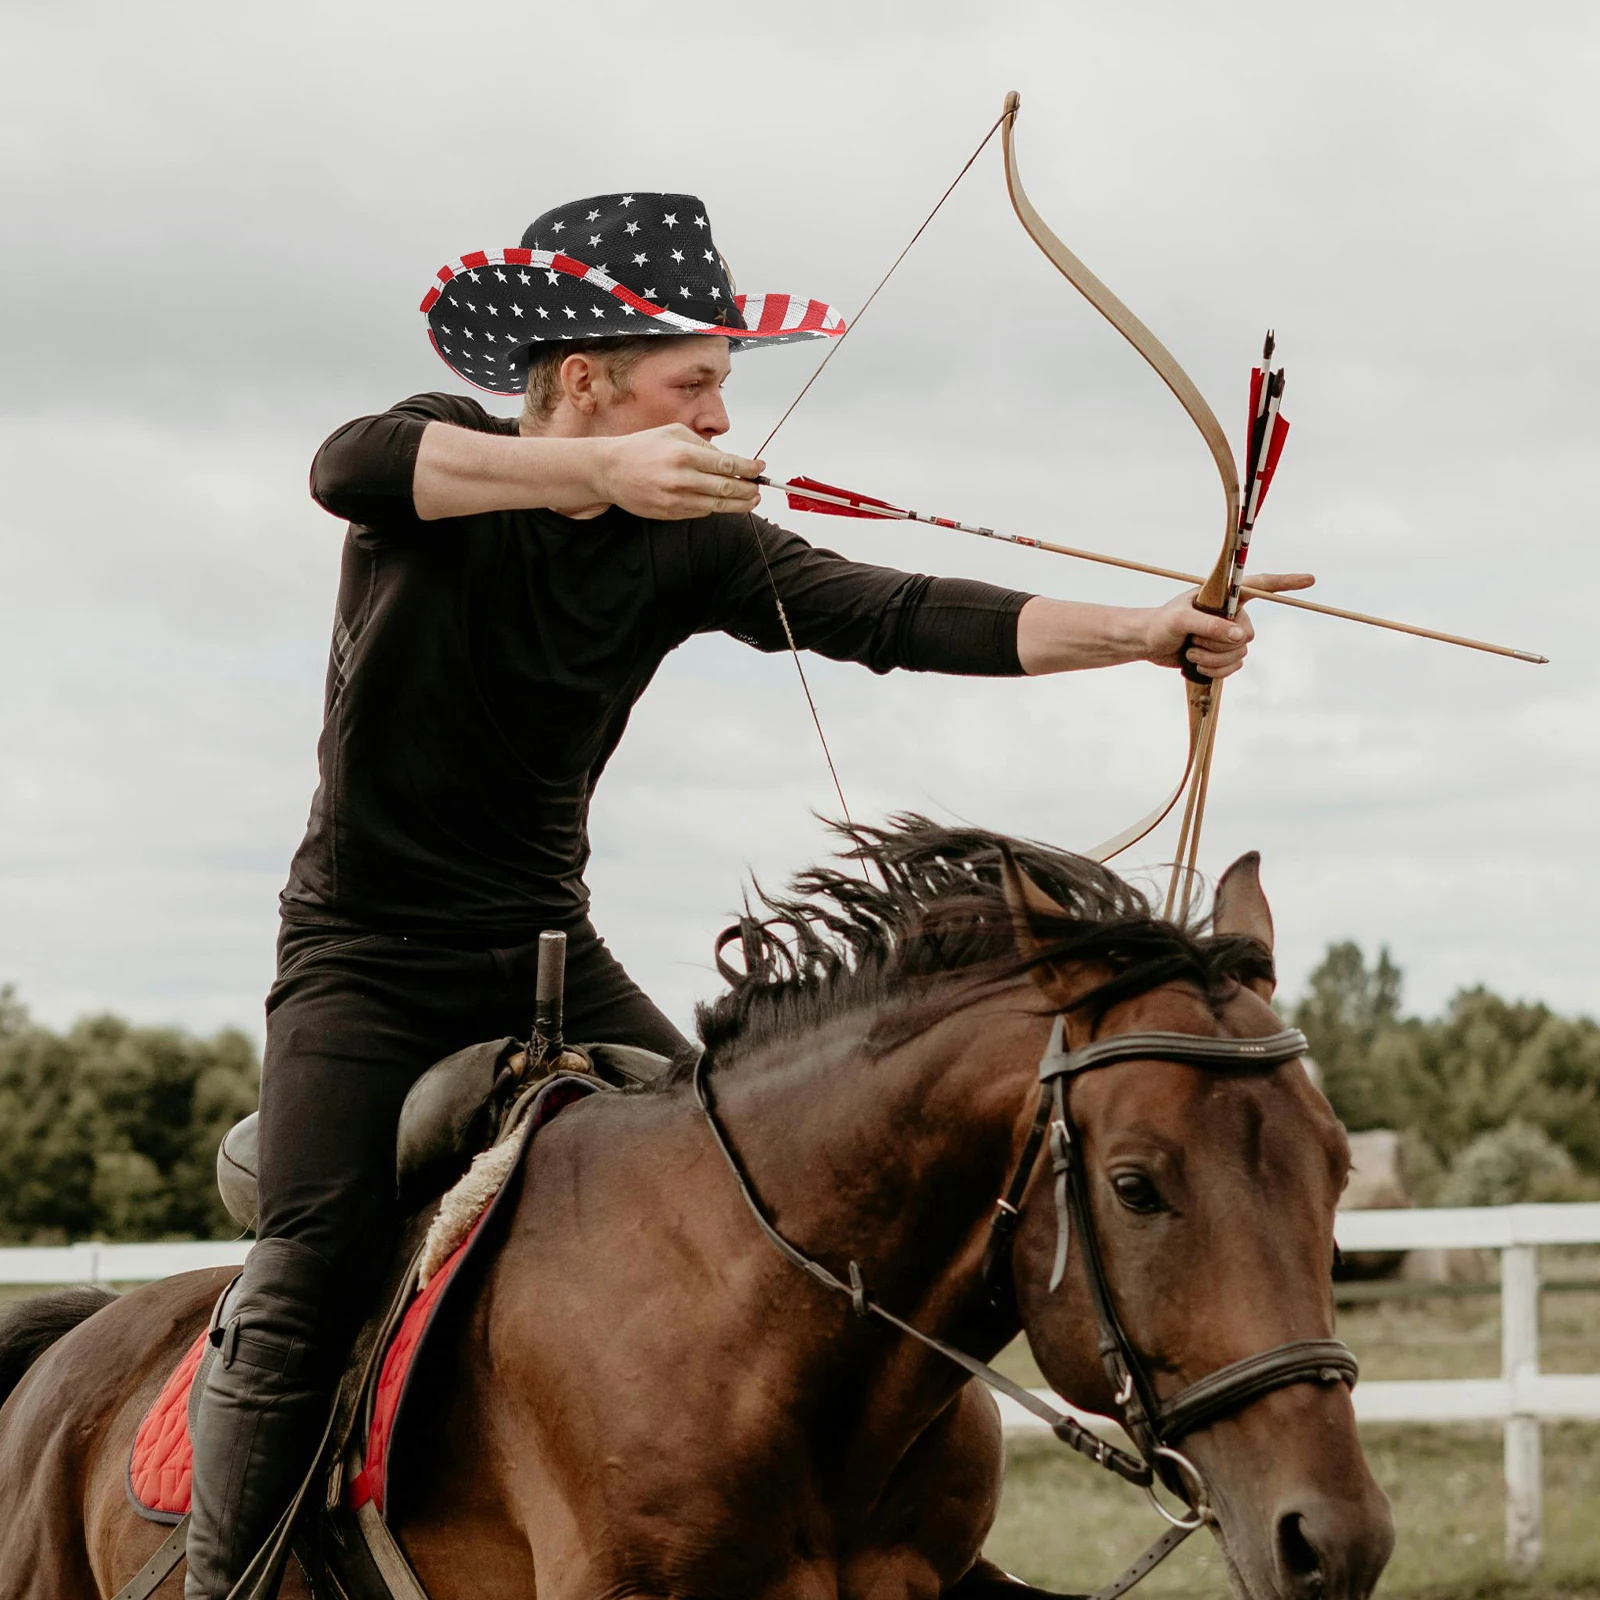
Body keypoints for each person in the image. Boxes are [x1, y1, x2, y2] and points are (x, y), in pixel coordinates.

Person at [183, 191, 1311, 1598]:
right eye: (695, 383)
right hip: (363, 963)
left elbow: (894, 613)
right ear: (587, 380)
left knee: (741, 1218)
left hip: (550, 951)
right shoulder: (435, 472)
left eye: (721, 386)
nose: (721, 420)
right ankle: (219, 1581)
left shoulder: (689, 541)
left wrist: (1145, 634)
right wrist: (595, 478)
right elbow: (348, 463)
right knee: (305, 1266)